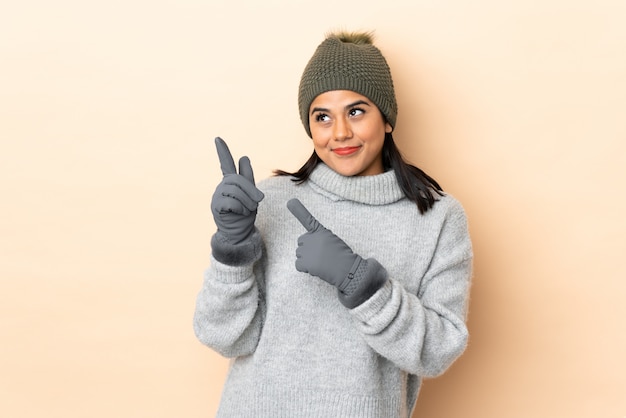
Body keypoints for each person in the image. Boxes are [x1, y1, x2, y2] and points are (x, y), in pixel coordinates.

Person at [193, 30, 473, 418]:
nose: (340, 132)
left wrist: (361, 282)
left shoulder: (438, 218)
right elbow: (224, 337)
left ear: (387, 118)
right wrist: (232, 250)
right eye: (322, 117)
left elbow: (439, 350)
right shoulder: (271, 201)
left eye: (356, 111)